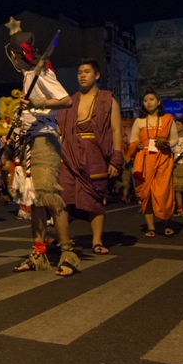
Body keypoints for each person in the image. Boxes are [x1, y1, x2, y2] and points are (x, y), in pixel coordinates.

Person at [2, 22, 76, 276]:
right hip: (31, 141)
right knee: (35, 201)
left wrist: (36, 102)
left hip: (45, 140)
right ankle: (38, 254)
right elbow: (30, 114)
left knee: (50, 197)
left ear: (15, 55)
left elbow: (66, 100)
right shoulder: (28, 76)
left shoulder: (39, 73)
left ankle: (67, 254)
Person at [57, 58, 123, 255]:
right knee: (64, 199)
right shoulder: (70, 100)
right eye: (79, 72)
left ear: (97, 75)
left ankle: (97, 240)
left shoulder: (107, 100)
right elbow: (59, 129)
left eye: (86, 71)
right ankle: (65, 241)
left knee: (95, 198)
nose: (82, 75)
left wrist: (116, 158)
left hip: (95, 154)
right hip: (68, 155)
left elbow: (117, 131)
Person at [129, 89, 178, 237]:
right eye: (146, 100)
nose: (148, 102)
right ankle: (151, 227)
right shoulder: (139, 121)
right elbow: (133, 141)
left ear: (158, 102)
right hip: (144, 161)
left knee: (164, 193)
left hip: (163, 159)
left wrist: (168, 145)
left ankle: (166, 224)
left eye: (151, 99)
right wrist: (136, 145)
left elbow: (174, 139)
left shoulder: (168, 119)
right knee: (147, 194)